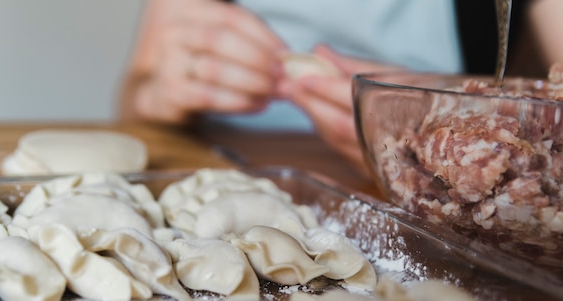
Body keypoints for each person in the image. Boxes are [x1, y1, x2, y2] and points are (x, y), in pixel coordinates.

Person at [120, 0, 563, 172]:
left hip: (428, 206)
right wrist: (159, 90)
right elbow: (133, 107)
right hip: (222, 171)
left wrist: (451, 109)